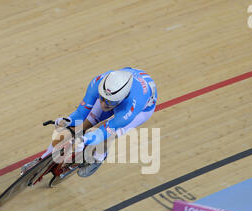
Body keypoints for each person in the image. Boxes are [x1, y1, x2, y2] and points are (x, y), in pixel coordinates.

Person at [22, 67, 158, 177]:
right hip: (123, 87)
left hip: (142, 110)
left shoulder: (131, 107)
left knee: (106, 135)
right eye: (102, 98)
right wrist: (68, 120)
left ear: (121, 99)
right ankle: (42, 159)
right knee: (75, 128)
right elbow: (81, 112)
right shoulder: (98, 83)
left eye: (109, 102)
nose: (104, 104)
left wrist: (84, 140)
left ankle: (99, 157)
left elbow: (106, 130)